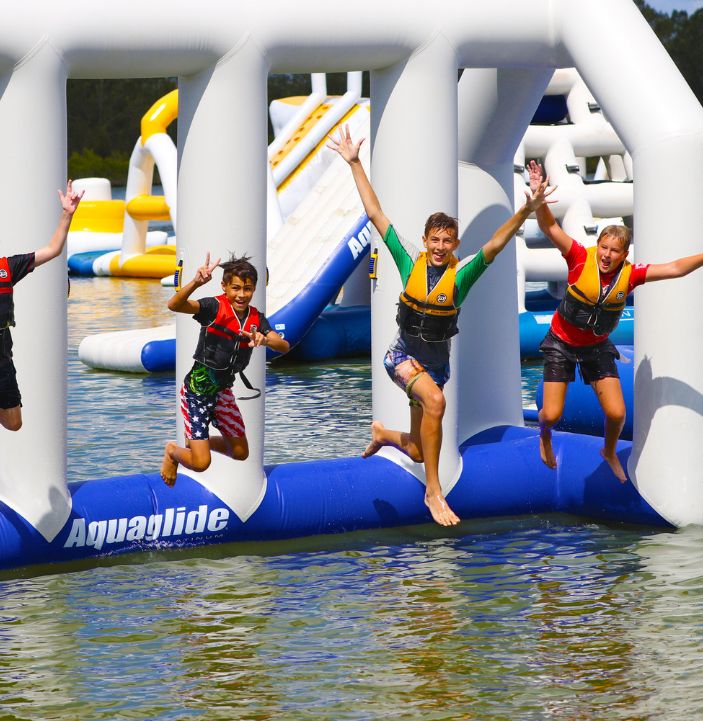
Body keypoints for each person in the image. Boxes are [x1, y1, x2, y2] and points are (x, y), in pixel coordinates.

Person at [328, 125, 551, 526]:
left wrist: (527, 209)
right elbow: (376, 213)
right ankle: (434, 492)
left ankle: (384, 435)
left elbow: (498, 243)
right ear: (425, 239)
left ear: (455, 246)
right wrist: (356, 163)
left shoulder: (462, 275)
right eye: (434, 239)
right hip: (401, 357)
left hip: (435, 367)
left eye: (447, 241)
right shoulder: (407, 259)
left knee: (416, 447)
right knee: (436, 403)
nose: (439, 247)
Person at [528, 160, 703, 482]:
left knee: (617, 413)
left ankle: (608, 451)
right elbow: (551, 229)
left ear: (624, 254)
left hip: (596, 347)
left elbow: (676, 268)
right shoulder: (580, 258)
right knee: (551, 414)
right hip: (561, 344)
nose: (607, 255)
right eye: (604, 248)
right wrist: (538, 202)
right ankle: (544, 436)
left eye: (614, 251)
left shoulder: (631, 275)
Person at [160, 252, 290, 487]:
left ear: (255, 289)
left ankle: (200, 443)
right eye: (236, 288)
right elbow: (174, 305)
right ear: (224, 286)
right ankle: (172, 452)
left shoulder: (256, 318)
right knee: (201, 463)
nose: (241, 295)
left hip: (222, 391)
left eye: (247, 289)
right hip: (197, 391)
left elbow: (284, 345)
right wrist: (195, 283)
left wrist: (265, 339)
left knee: (240, 452)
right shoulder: (213, 307)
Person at [0, 180, 84, 431]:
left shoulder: (7, 267)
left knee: (15, 423)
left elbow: (53, 250)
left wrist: (67, 214)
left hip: (3, 355)